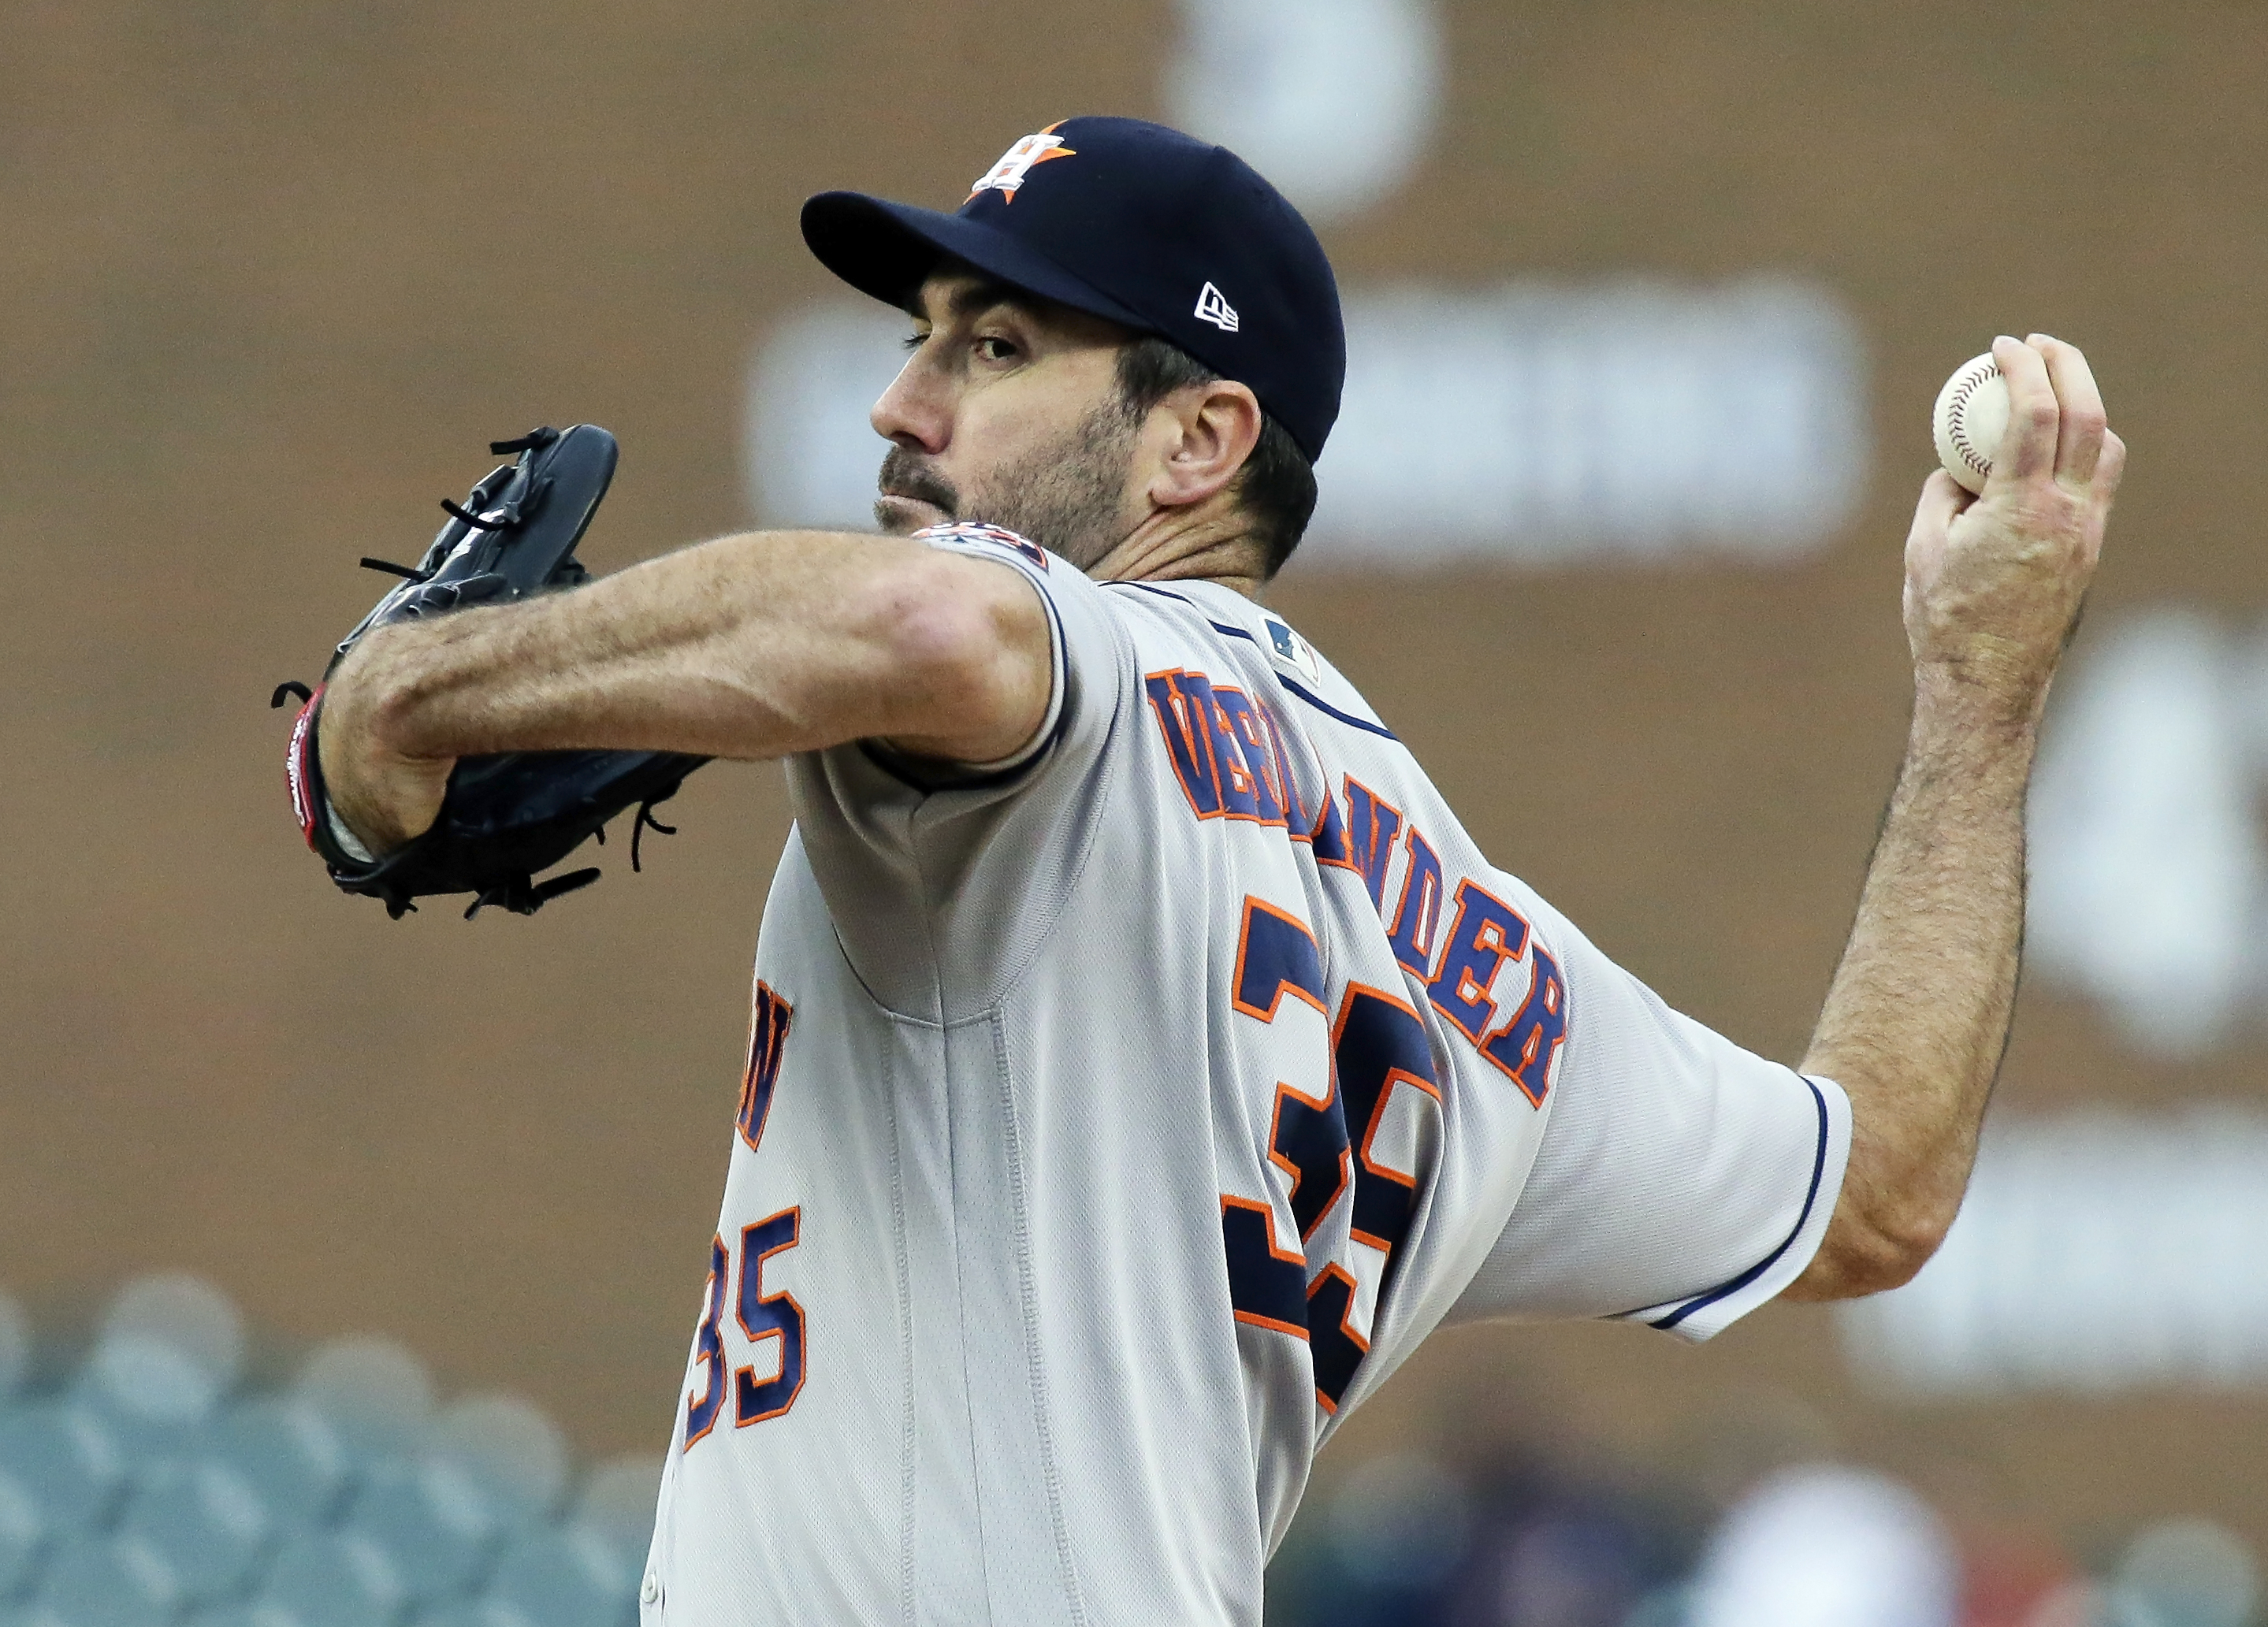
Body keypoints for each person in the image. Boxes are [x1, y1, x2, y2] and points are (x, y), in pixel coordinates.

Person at [311, 116, 2123, 1625]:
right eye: (919, 332)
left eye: (993, 346)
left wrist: (402, 699)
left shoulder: (1090, 666)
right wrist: (1978, 692)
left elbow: (935, 625)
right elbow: (1870, 1184)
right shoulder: (1480, 943)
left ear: (1198, 440)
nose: (900, 401)